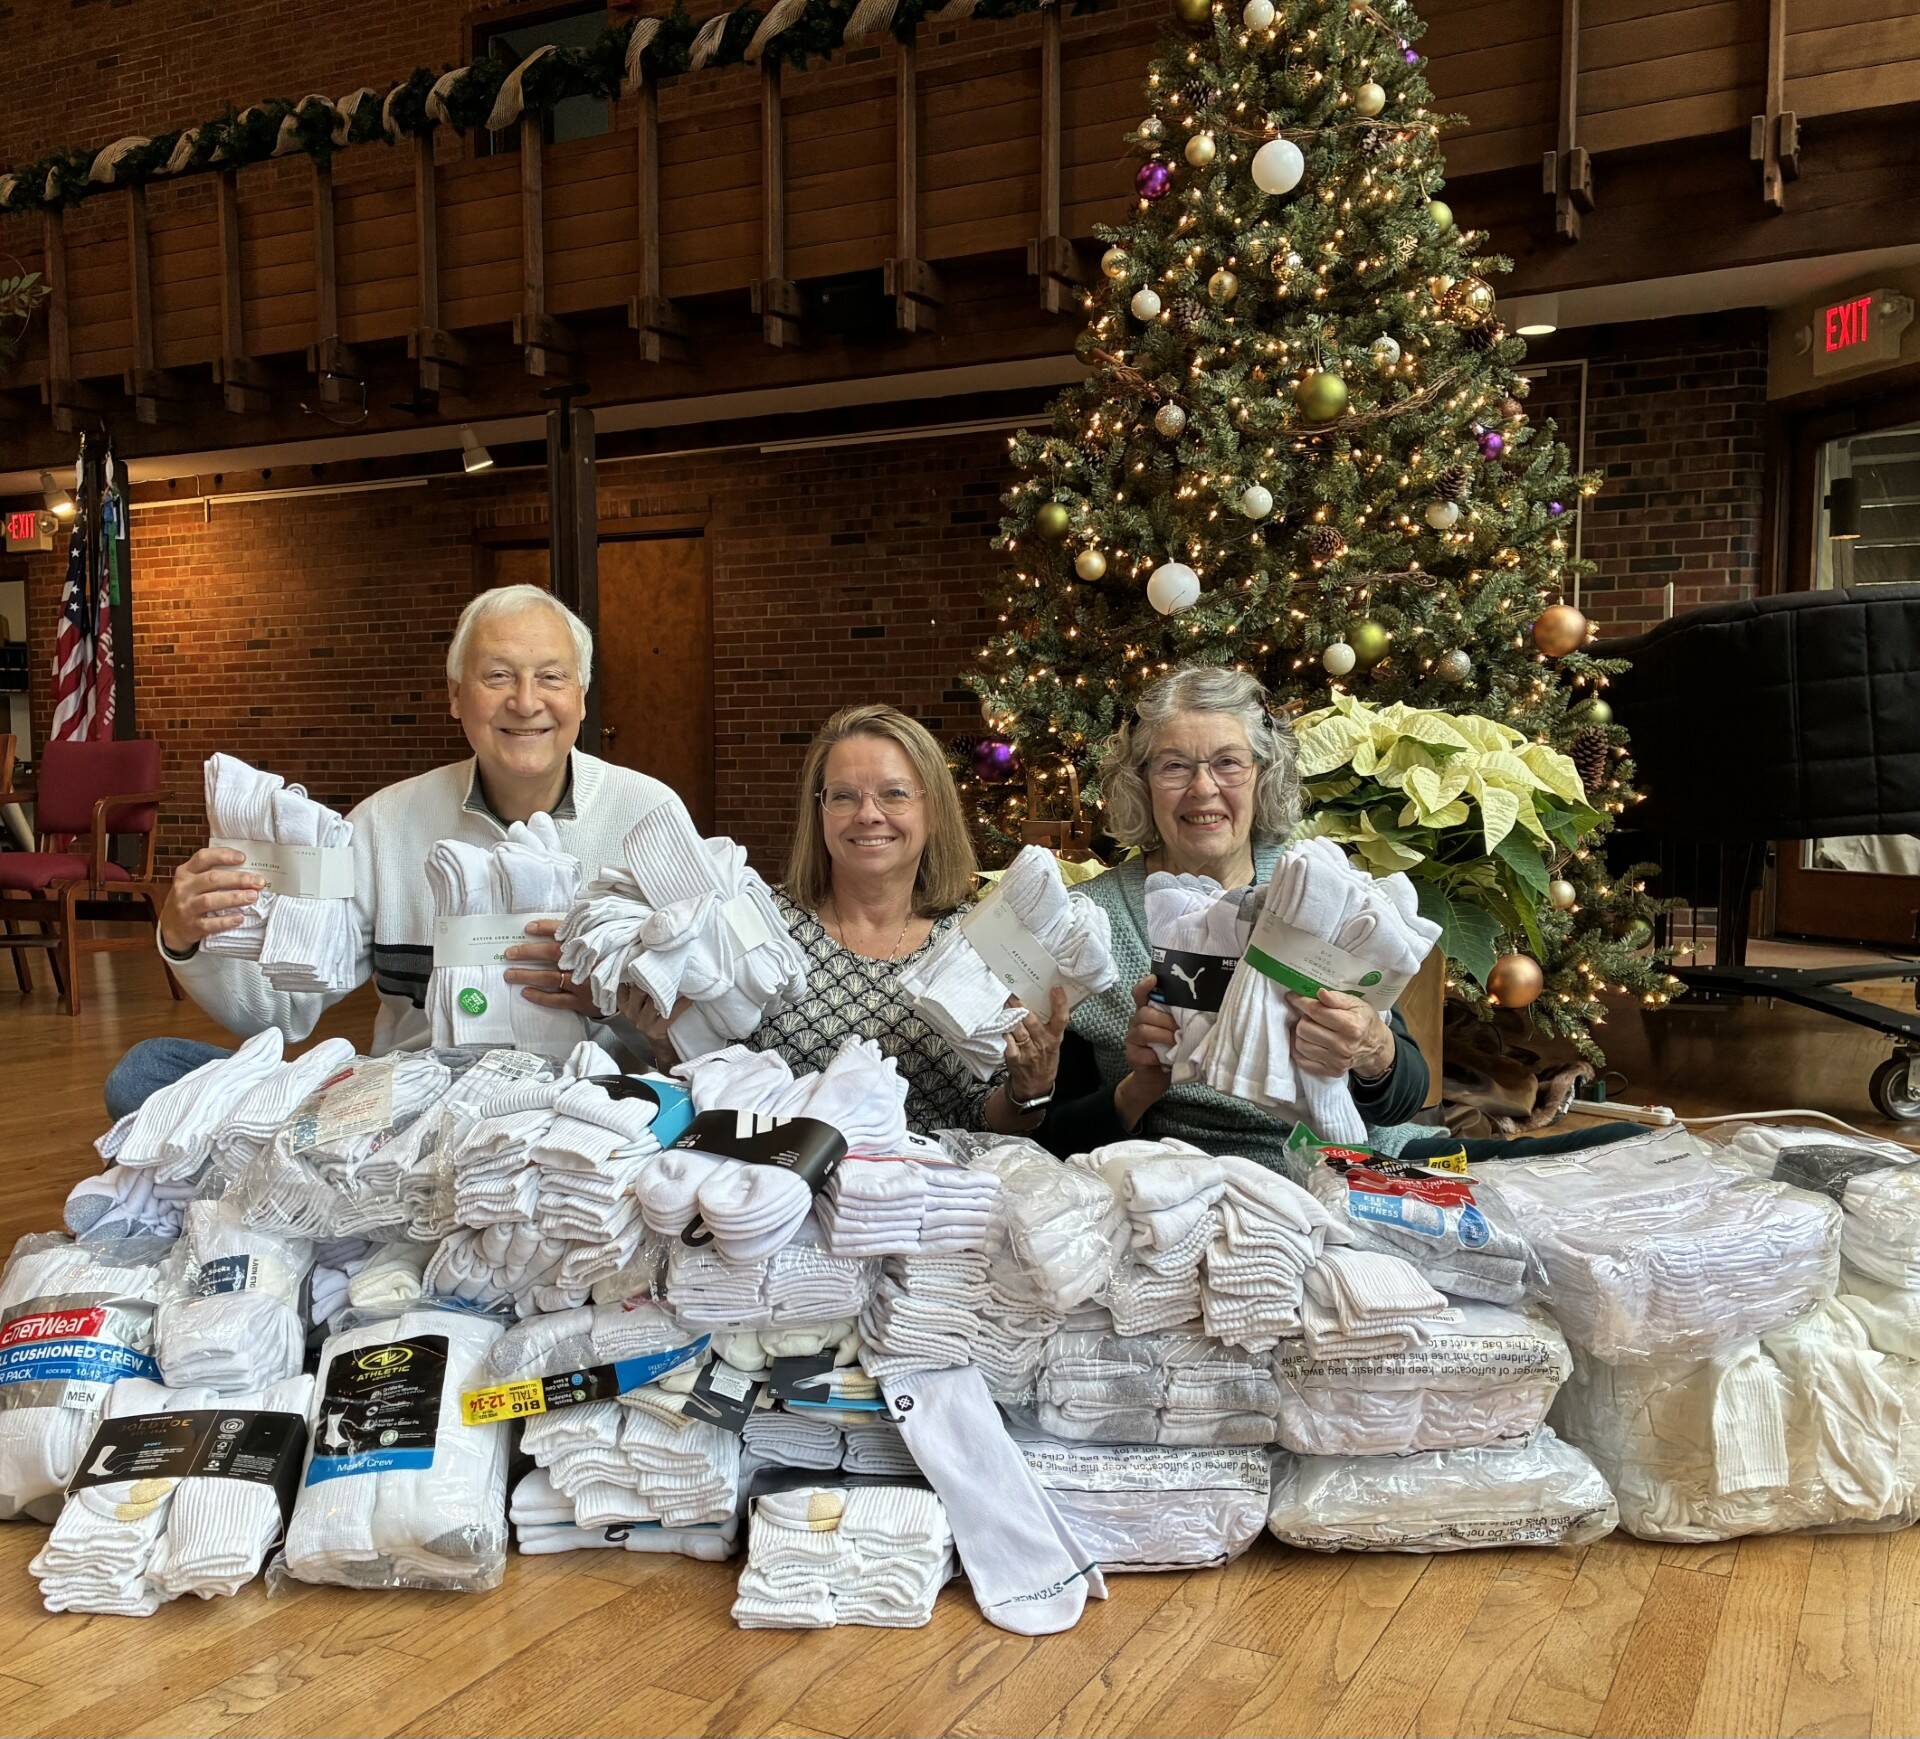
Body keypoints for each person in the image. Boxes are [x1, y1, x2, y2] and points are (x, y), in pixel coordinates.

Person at [104, 584, 687, 1118]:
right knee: (147, 1072)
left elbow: (706, 1032)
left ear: (582, 698)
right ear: (457, 697)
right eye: (499, 676)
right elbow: (279, 1011)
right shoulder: (384, 823)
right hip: (412, 1108)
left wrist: (609, 1003)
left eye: (552, 677)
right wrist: (185, 937)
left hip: (591, 1112)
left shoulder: (648, 816)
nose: (526, 701)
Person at [1024, 664, 1428, 1172]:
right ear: (1141, 782)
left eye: (1228, 763)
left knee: (1547, 1169)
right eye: (1174, 766)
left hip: (1351, 1169)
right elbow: (1053, 1137)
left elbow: (1405, 1095)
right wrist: (1140, 1085)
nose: (1203, 788)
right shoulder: (1089, 921)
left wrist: (1372, 1047)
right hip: (1180, 1181)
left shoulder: (1317, 888)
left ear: (1263, 775)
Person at [628, 703, 1063, 1137]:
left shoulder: (978, 941)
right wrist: (667, 1044)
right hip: (769, 1189)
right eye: (843, 796)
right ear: (819, 814)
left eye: (894, 793)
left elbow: (986, 1123)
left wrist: (1030, 1088)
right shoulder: (758, 923)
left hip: (932, 1195)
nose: (868, 814)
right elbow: (706, 1082)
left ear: (933, 811)